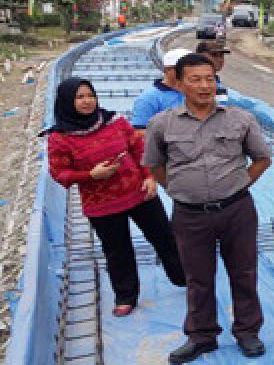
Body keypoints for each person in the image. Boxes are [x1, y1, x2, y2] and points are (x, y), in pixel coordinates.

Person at [143, 53, 273, 365]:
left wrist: (239, 184)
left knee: (243, 272)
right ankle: (202, 336)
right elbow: (155, 166)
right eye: (195, 79)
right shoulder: (161, 125)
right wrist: (177, 189)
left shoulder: (241, 120)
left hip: (236, 210)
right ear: (178, 82)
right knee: (198, 277)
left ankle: (247, 331)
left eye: (209, 78)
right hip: (189, 214)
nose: (204, 86)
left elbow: (262, 159)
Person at [46, 78, 186, 316]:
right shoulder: (60, 137)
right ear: (67, 101)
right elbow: (60, 173)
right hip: (102, 204)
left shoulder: (115, 121)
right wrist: (91, 174)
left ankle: (186, 277)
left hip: (139, 191)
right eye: (79, 97)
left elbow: (139, 149)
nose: (87, 101)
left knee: (165, 236)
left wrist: (149, 177)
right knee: (117, 250)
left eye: (90, 95)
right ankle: (126, 295)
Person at [131, 47, 191, 129]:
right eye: (184, 68)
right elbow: (140, 131)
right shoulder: (148, 98)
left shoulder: (195, 92)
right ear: (168, 70)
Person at [195, 40, 256, 110]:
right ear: (199, 56)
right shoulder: (188, 83)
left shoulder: (220, 87)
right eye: (214, 55)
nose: (219, 59)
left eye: (221, 55)